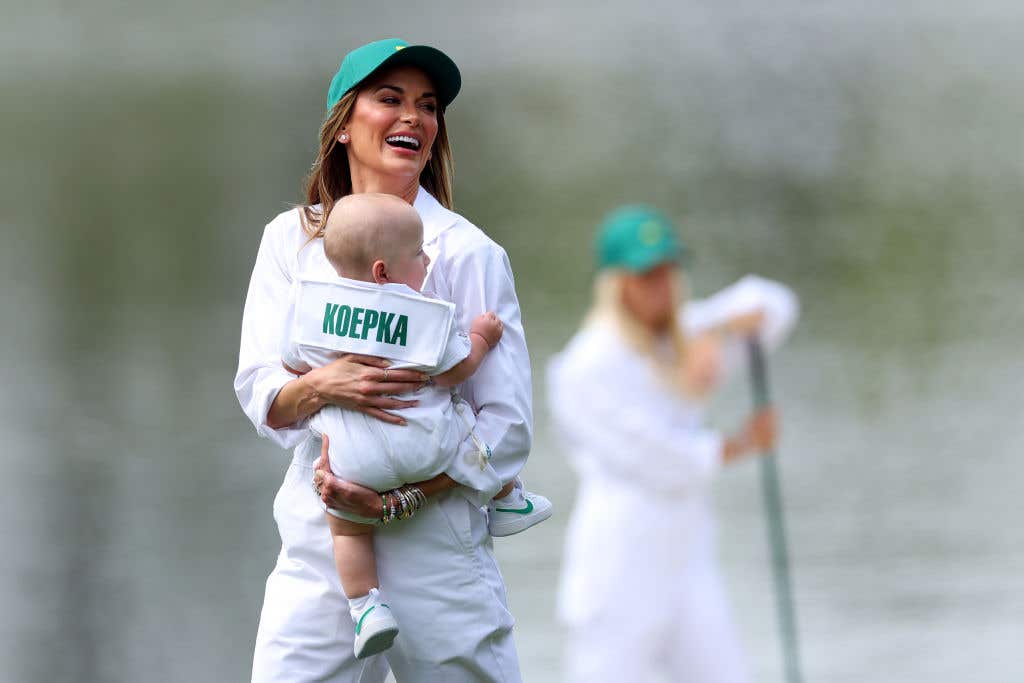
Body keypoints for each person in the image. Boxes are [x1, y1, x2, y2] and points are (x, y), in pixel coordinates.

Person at [235, 38, 534, 682]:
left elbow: (505, 430)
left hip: (439, 547)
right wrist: (322, 385)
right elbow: (262, 391)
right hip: (323, 535)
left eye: (427, 107)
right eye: (389, 99)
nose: (413, 118)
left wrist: (401, 501)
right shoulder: (290, 239)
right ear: (343, 124)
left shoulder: (467, 252)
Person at [279, 193, 551, 659]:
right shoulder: (420, 312)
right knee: (464, 421)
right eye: (420, 254)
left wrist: (325, 375)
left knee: (346, 531)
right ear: (384, 271)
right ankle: (506, 498)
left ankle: (365, 606)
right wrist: (482, 339)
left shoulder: (314, 308)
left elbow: (290, 361)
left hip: (350, 461)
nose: (427, 261)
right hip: (424, 447)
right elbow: (454, 370)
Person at [547, 205, 799, 683]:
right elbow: (656, 458)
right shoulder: (585, 366)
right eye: (647, 276)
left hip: (689, 564)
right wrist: (741, 444)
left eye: (668, 271)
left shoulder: (686, 335)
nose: (661, 287)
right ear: (617, 284)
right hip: (619, 569)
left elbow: (774, 304)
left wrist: (720, 333)